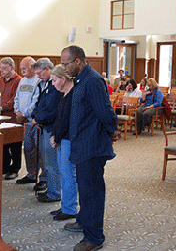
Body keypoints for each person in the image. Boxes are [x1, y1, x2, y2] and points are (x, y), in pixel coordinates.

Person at [60, 45, 120, 251]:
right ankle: (83, 222)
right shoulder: (81, 79)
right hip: (82, 144)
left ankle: (94, 238)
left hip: (92, 146)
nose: (63, 68)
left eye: (66, 63)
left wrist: (113, 130)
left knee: (92, 192)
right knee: (84, 189)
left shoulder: (93, 80)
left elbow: (104, 111)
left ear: (78, 61)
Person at [49, 65, 78, 220]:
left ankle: (70, 209)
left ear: (63, 79)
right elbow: (58, 119)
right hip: (61, 139)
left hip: (68, 139)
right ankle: (65, 205)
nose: (53, 84)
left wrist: (57, 137)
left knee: (69, 175)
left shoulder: (74, 94)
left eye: (54, 80)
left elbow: (69, 122)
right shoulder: (64, 94)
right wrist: (54, 135)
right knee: (64, 174)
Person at [32, 58, 63, 203]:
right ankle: (51, 189)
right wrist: (35, 117)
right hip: (45, 127)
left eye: (39, 73)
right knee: (48, 162)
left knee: (52, 163)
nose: (38, 76)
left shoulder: (55, 87)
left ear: (46, 68)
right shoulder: (47, 85)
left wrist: (38, 119)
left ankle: (54, 193)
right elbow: (39, 104)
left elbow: (51, 110)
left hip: (52, 128)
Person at [14, 57, 44, 188]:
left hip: (34, 121)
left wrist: (24, 114)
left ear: (32, 66)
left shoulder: (38, 81)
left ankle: (43, 178)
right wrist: (17, 112)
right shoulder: (22, 81)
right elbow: (17, 98)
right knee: (28, 149)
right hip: (24, 121)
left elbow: (36, 101)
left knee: (40, 150)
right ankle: (31, 174)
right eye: (21, 68)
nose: (22, 71)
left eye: (24, 68)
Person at [0, 57, 22, 180]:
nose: (1, 70)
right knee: (2, 144)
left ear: (12, 67)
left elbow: (15, 98)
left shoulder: (19, 80)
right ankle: (4, 167)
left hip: (12, 117)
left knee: (15, 145)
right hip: (1, 118)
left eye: (4, 68)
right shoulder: (0, 80)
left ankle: (15, 169)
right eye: (1, 68)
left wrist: (1, 108)